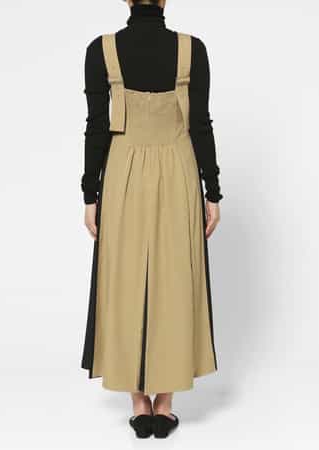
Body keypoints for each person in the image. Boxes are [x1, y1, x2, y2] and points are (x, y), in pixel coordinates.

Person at [80, 0, 223, 438]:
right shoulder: (191, 50)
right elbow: (200, 124)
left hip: (122, 170)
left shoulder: (102, 50)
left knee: (123, 279)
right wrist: (212, 190)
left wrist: (90, 194)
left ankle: (139, 403)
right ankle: (165, 402)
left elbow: (96, 126)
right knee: (175, 278)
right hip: (178, 169)